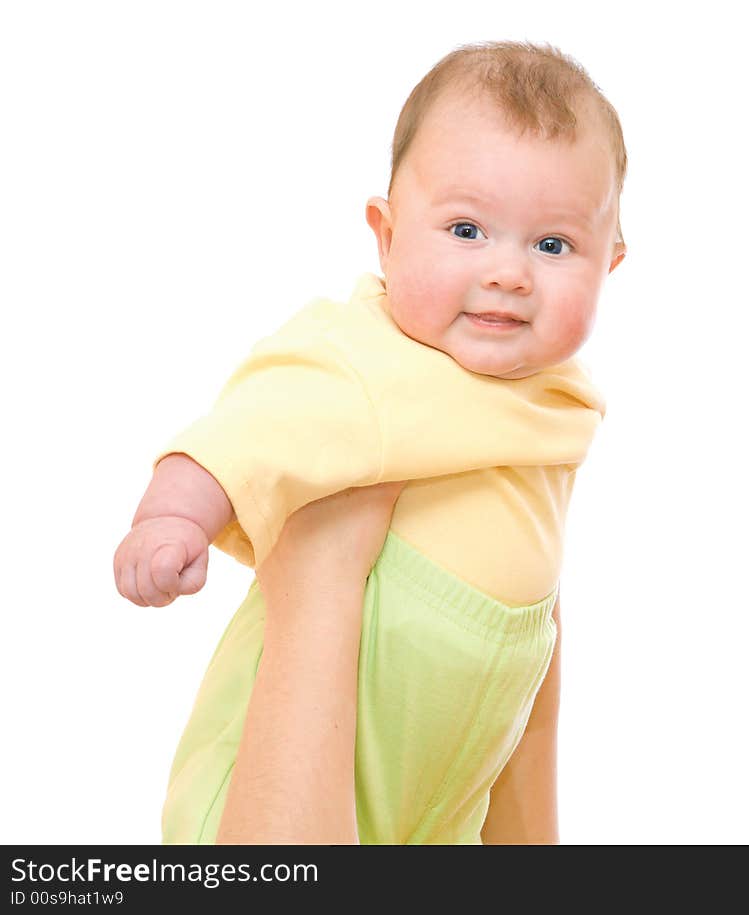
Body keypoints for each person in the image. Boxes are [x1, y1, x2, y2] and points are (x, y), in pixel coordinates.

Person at [113, 39, 627, 844]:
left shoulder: (559, 403)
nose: (509, 273)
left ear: (611, 263)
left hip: (445, 794)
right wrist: (172, 517)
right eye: (466, 228)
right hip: (286, 775)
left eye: (552, 245)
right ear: (386, 237)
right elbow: (250, 425)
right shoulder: (364, 357)